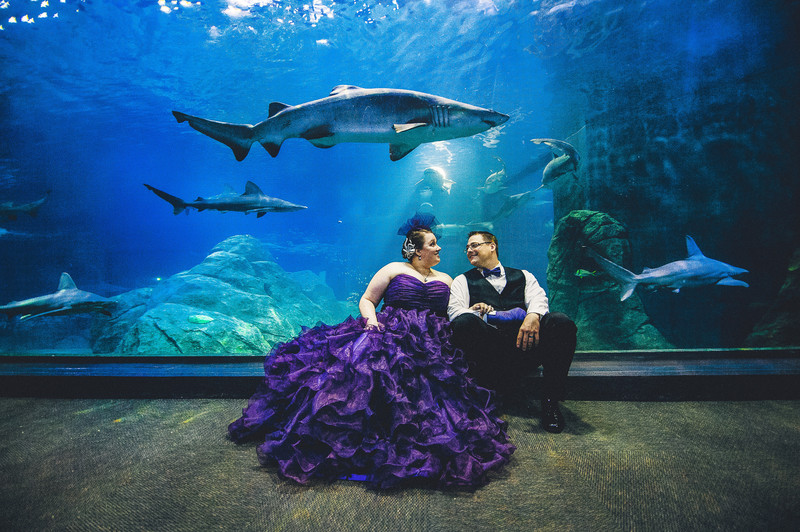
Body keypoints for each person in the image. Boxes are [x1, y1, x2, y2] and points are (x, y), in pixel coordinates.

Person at [228, 215, 514, 489]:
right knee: (361, 374)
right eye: (432, 244)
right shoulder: (392, 269)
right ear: (416, 250)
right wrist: (372, 321)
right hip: (390, 329)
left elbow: (454, 312)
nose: (439, 248)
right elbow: (368, 299)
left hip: (432, 339)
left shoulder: (448, 278)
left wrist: (474, 309)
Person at [448, 231, 577, 433]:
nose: (469, 250)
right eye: (467, 248)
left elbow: (539, 299)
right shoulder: (462, 281)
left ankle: (551, 402)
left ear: (492, 246)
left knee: (560, 322)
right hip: (490, 354)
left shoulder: (524, 275)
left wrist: (532, 316)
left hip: (526, 348)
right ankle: (479, 400)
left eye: (475, 245)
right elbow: (455, 312)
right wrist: (496, 316)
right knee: (464, 323)